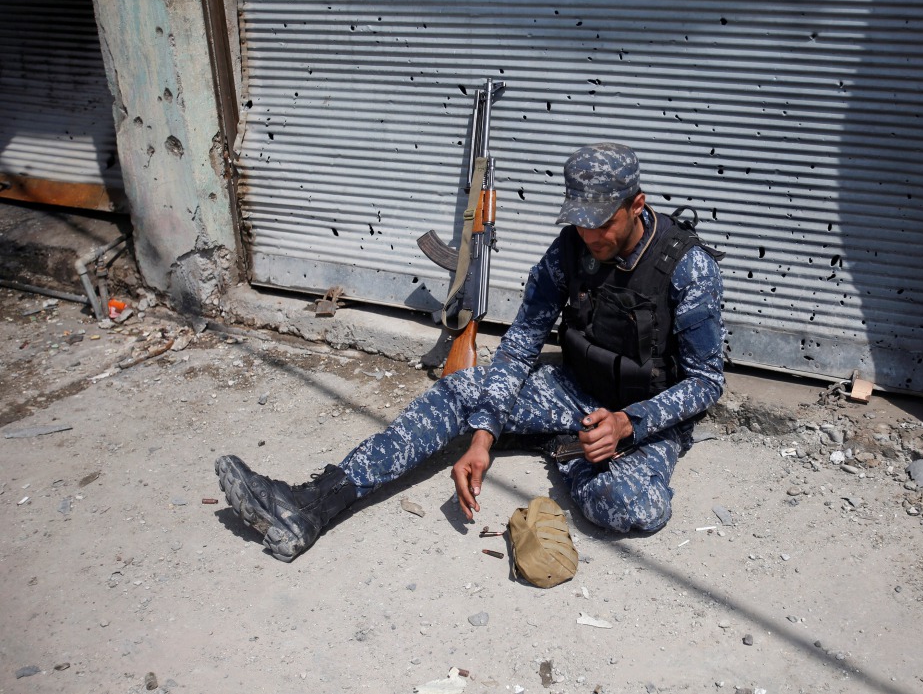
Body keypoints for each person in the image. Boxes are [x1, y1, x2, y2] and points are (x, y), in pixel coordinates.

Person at [215, 143, 726, 562]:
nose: (590, 236)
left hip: (643, 416)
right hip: (572, 391)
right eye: (580, 222)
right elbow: (521, 345)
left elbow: (706, 381)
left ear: (636, 206)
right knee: (462, 391)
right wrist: (483, 436)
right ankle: (310, 505)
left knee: (631, 507)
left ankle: (569, 452)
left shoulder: (687, 267)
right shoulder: (570, 247)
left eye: (602, 223)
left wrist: (626, 425)